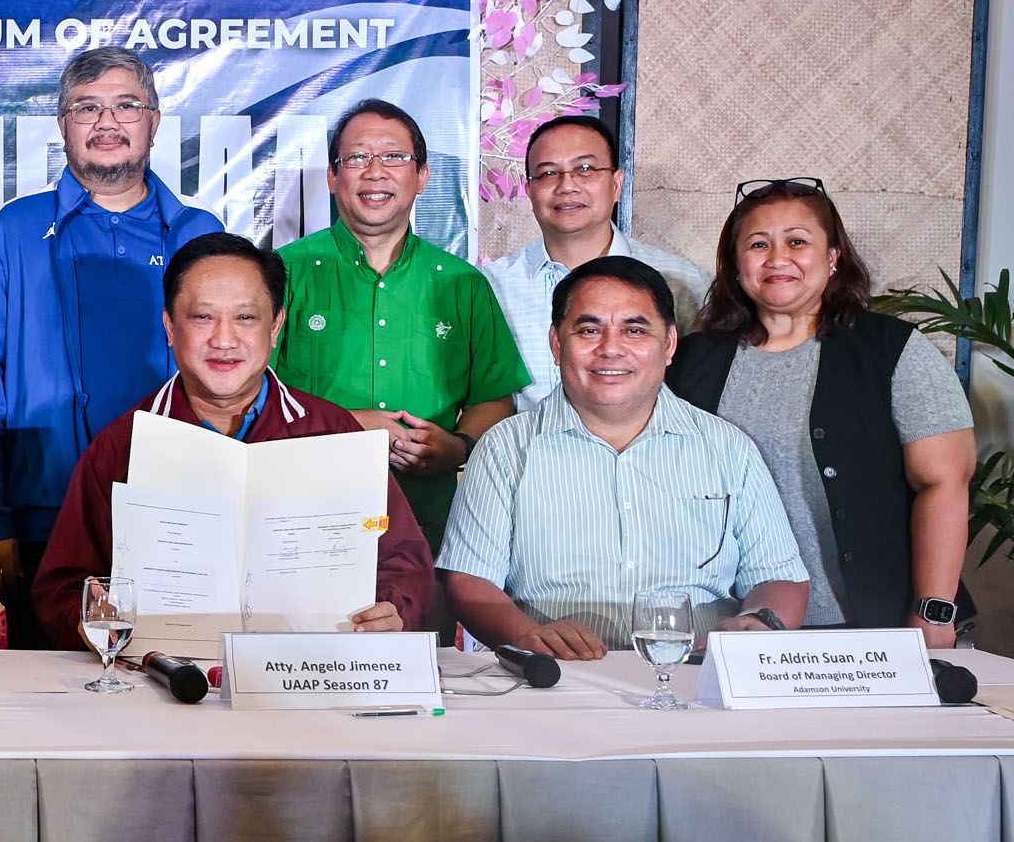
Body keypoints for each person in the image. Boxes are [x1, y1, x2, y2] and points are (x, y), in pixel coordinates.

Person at [34, 233, 433, 647]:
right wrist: (87, 617)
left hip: (311, 675)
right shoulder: (123, 445)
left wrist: (393, 609)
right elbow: (61, 587)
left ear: (275, 326)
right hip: (164, 680)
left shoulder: (332, 431)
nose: (224, 340)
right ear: (170, 326)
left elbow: (406, 563)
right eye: (202, 318)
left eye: (245, 318)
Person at [0, 46, 222, 647]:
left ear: (153, 121)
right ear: (62, 125)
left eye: (126, 105)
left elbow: (236, 379)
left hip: (175, 515)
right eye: (87, 108)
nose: (107, 123)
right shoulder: (15, 230)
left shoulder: (201, 235)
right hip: (39, 524)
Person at [439, 256, 810, 658]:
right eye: (588, 329)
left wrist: (757, 624)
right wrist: (526, 633)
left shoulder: (727, 448)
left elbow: (780, 577)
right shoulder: (505, 448)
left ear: (669, 344)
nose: (610, 349)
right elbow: (469, 577)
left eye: (634, 330)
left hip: (698, 678)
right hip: (558, 682)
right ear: (556, 343)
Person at [668, 179, 975, 645]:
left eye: (797, 241)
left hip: (871, 627)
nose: (777, 258)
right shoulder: (692, 361)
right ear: (736, 263)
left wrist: (934, 613)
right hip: (728, 628)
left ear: (833, 257)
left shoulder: (893, 352)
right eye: (757, 244)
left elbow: (944, 484)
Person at [271, 99, 529, 549]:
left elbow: (494, 398)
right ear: (333, 177)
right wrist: (348, 425)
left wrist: (457, 447)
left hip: (430, 525)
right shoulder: (282, 274)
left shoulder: (462, 283)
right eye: (356, 158)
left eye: (394, 156)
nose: (375, 172)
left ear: (422, 176)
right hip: (305, 517)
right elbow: (249, 396)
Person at [481, 114, 712, 406]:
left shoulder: (683, 282)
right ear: (529, 191)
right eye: (549, 173)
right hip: (524, 450)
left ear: (617, 184)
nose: (567, 186)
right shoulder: (490, 285)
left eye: (585, 168)